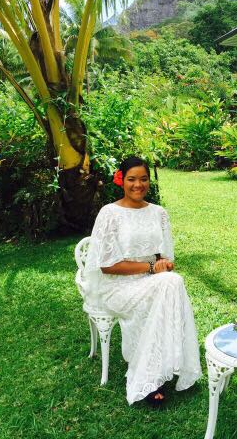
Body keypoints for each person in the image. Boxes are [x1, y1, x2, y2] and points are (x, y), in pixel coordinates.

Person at [83, 156, 202, 406]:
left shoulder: (158, 213)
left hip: (152, 282)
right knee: (170, 284)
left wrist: (163, 265)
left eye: (144, 179)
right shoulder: (110, 213)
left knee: (172, 281)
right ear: (121, 180)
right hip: (117, 287)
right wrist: (151, 267)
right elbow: (107, 266)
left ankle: (155, 373)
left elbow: (166, 259)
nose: (138, 184)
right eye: (132, 179)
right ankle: (153, 375)